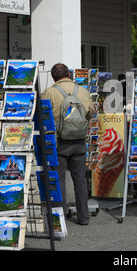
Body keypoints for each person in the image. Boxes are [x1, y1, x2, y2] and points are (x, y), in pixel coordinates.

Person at [42, 63, 95, 225]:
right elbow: (91, 113)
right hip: (79, 141)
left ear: (53, 77)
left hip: (58, 142)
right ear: (69, 75)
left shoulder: (49, 93)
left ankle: (60, 219)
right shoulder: (83, 91)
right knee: (80, 180)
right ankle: (84, 217)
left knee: (58, 180)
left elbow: (43, 116)